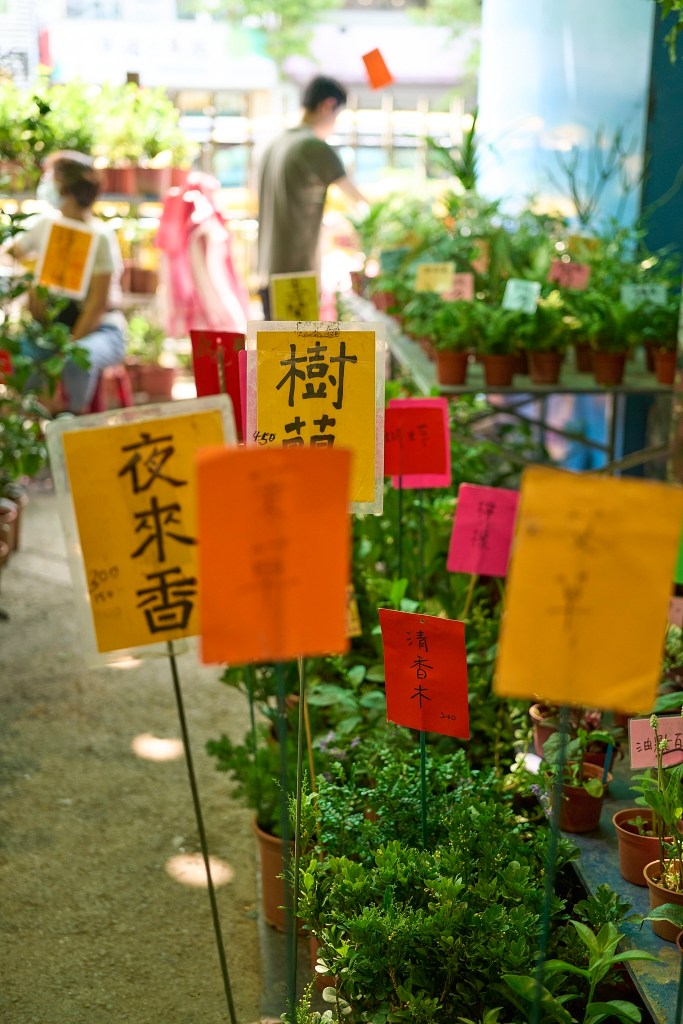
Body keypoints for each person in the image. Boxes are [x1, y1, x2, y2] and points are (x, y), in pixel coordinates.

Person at [11, 150, 127, 413]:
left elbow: (97, 305)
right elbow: (13, 251)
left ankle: (70, 418)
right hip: (52, 328)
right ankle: (33, 417)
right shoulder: (43, 225)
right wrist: (33, 277)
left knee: (77, 361)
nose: (46, 183)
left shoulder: (100, 236)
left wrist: (67, 349)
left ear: (65, 185)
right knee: (21, 356)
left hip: (100, 330)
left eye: (51, 177)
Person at [256, 75, 366, 319]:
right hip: (296, 277)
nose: (335, 124)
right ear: (328, 105)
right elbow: (360, 203)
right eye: (337, 116)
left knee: (275, 354)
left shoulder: (273, 143)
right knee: (296, 353)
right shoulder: (313, 147)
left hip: (267, 270)